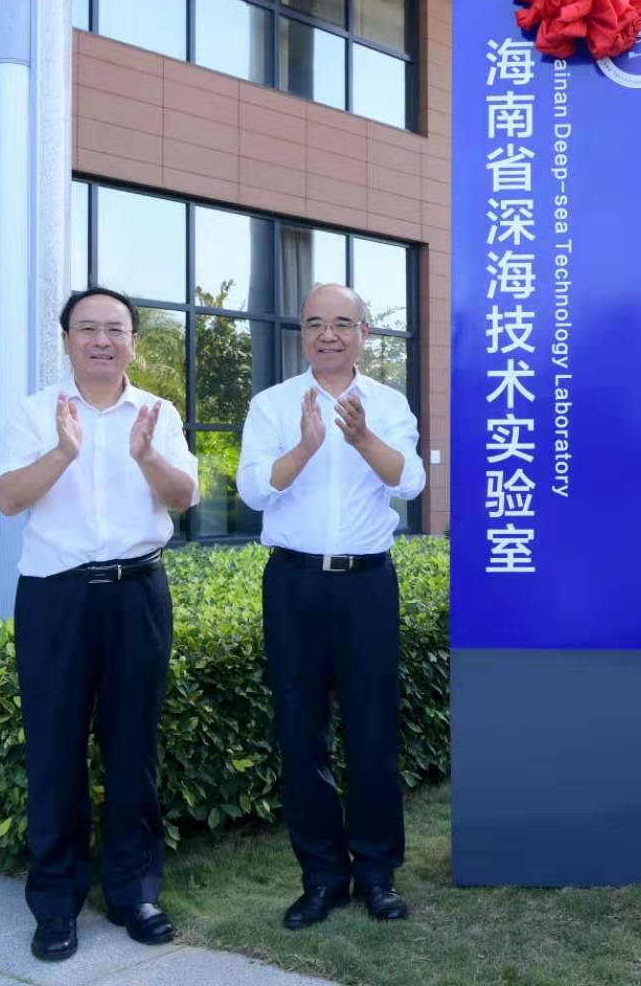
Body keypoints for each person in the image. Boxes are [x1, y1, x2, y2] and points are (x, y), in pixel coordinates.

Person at [0, 287, 199, 963]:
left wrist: (146, 457)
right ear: (67, 340)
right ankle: (56, 903)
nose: (102, 340)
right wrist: (62, 451)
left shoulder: (158, 413)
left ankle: (133, 892)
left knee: (133, 747)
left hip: (137, 594)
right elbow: (8, 499)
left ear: (133, 341)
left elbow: (185, 497)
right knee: (54, 751)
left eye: (115, 329)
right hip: (56, 597)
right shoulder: (35, 413)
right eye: (88, 328)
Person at [237, 283, 426, 929]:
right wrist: (304, 448)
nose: (328, 334)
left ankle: (376, 875)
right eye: (315, 323)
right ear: (302, 332)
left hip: (366, 584)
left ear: (363, 334)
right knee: (300, 731)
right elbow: (253, 491)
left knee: (373, 733)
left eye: (342, 323)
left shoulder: (388, 404)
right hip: (294, 584)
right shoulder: (272, 405)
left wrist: (363, 437)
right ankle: (321, 877)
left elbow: (410, 481)